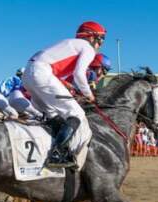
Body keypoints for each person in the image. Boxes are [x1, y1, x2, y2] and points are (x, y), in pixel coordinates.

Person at [22, 21, 106, 168]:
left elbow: (57, 71)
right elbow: (79, 73)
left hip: (29, 75)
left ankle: (54, 148)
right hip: (42, 73)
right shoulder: (87, 48)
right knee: (77, 113)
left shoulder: (70, 43)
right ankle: (56, 154)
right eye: (101, 39)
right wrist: (89, 95)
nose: (101, 44)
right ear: (92, 37)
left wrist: (71, 86)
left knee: (54, 115)